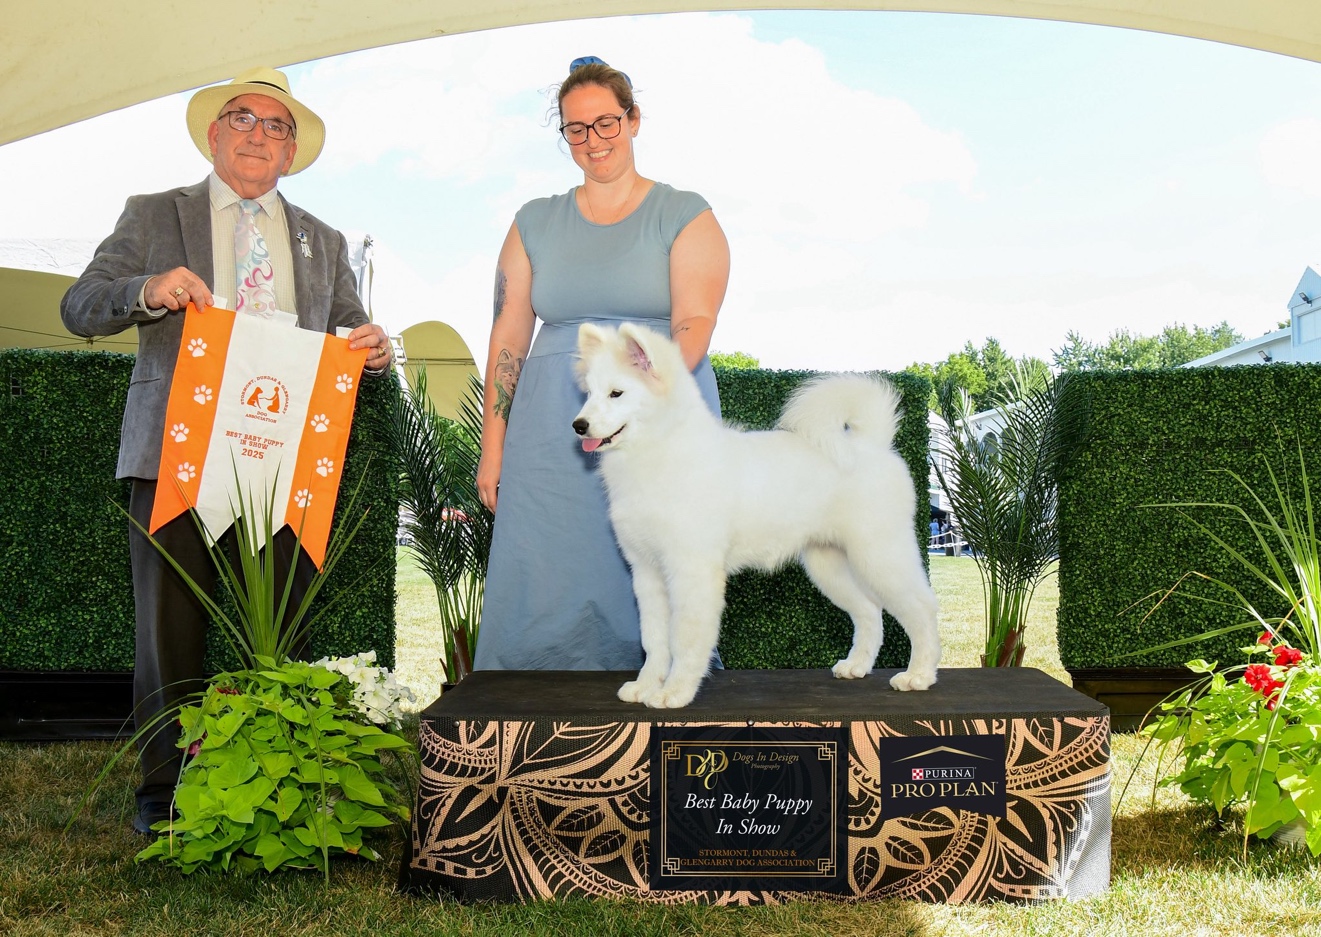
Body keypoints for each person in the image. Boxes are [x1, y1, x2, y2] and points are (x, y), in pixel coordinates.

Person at [60, 66, 392, 836]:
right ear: (214, 135)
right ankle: (164, 787)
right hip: (176, 451)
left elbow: (350, 324)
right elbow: (81, 306)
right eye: (242, 118)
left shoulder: (325, 239)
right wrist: (147, 288)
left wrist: (372, 343)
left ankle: (275, 772)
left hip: (284, 459)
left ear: (292, 150)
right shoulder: (153, 213)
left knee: (280, 624)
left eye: (276, 126)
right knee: (166, 628)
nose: (257, 134)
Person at [474, 57, 730, 671]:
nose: (594, 140)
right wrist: (493, 445)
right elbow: (508, 334)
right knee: (542, 571)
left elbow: (694, 321)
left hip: (658, 412)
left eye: (607, 122)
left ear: (634, 120)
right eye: (576, 129)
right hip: (550, 431)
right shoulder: (532, 221)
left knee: (664, 559)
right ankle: (524, 736)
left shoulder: (686, 213)